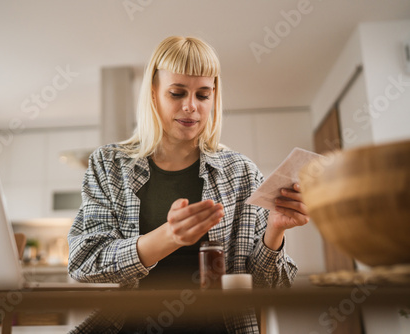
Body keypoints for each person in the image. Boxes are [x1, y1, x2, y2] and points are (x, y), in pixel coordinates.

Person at [67, 35, 309, 333]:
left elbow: (269, 288)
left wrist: (276, 229)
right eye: (177, 93)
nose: (191, 106)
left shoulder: (241, 172)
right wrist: (168, 236)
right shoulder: (108, 165)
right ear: (153, 94)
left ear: (214, 98)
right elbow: (84, 262)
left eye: (203, 95)